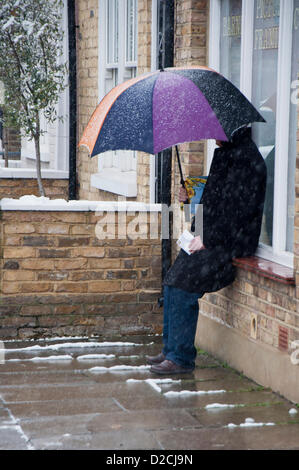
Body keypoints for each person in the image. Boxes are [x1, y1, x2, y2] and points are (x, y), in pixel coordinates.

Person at [147, 125, 267, 375]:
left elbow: (236, 212)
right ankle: (170, 349)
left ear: (230, 132)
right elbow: (213, 202)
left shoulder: (245, 161)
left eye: (216, 132)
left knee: (183, 286)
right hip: (208, 237)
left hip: (229, 244)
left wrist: (208, 238)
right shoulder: (226, 155)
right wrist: (191, 200)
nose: (211, 137)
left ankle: (181, 358)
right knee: (171, 280)